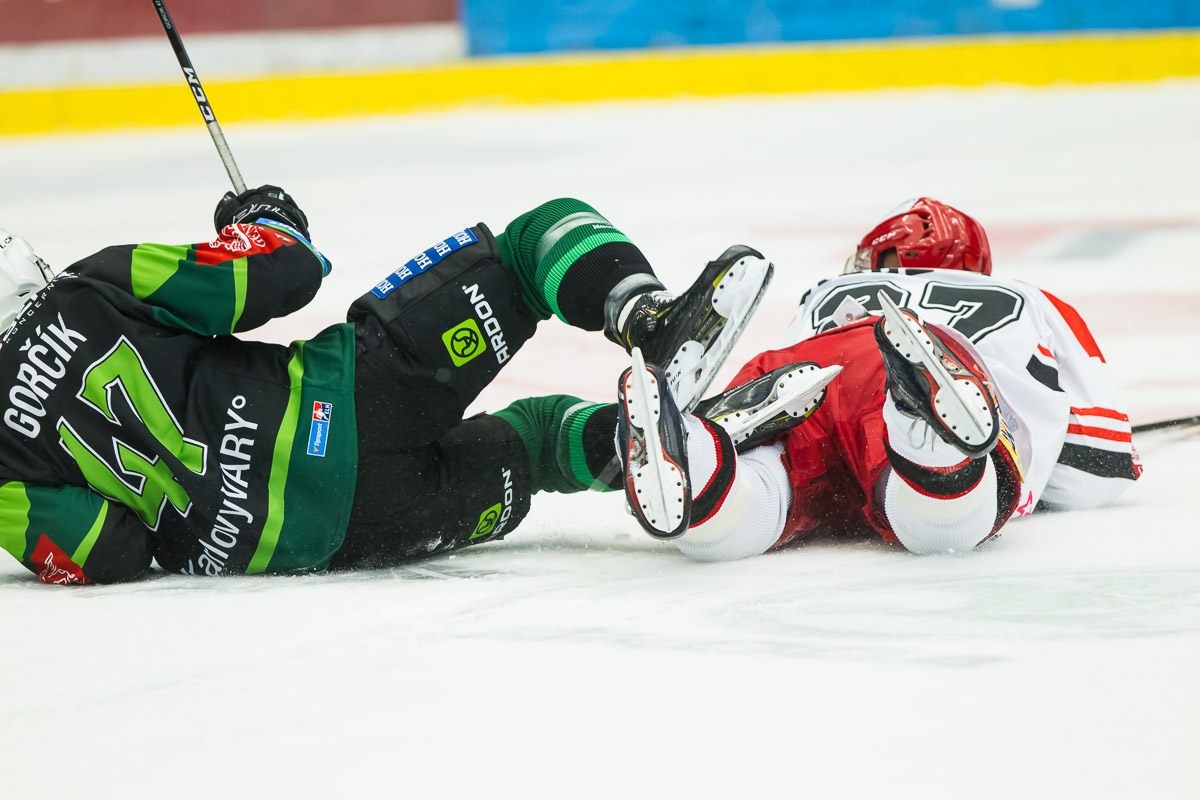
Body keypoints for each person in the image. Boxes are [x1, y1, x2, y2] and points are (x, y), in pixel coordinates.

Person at [0, 186, 773, 584]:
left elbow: (111, 553)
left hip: (338, 539)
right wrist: (264, 219)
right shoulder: (89, 288)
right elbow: (285, 273)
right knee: (530, 245)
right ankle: (649, 321)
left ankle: (669, 451)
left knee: (536, 442)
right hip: (353, 403)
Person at [616, 197, 1142, 560]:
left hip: (798, 372)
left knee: (766, 487)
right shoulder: (1027, 298)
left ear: (885, 254)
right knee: (943, 525)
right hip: (910, 367)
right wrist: (1029, 471)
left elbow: (802, 377)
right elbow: (1099, 466)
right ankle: (922, 432)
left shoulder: (828, 290)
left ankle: (700, 460)